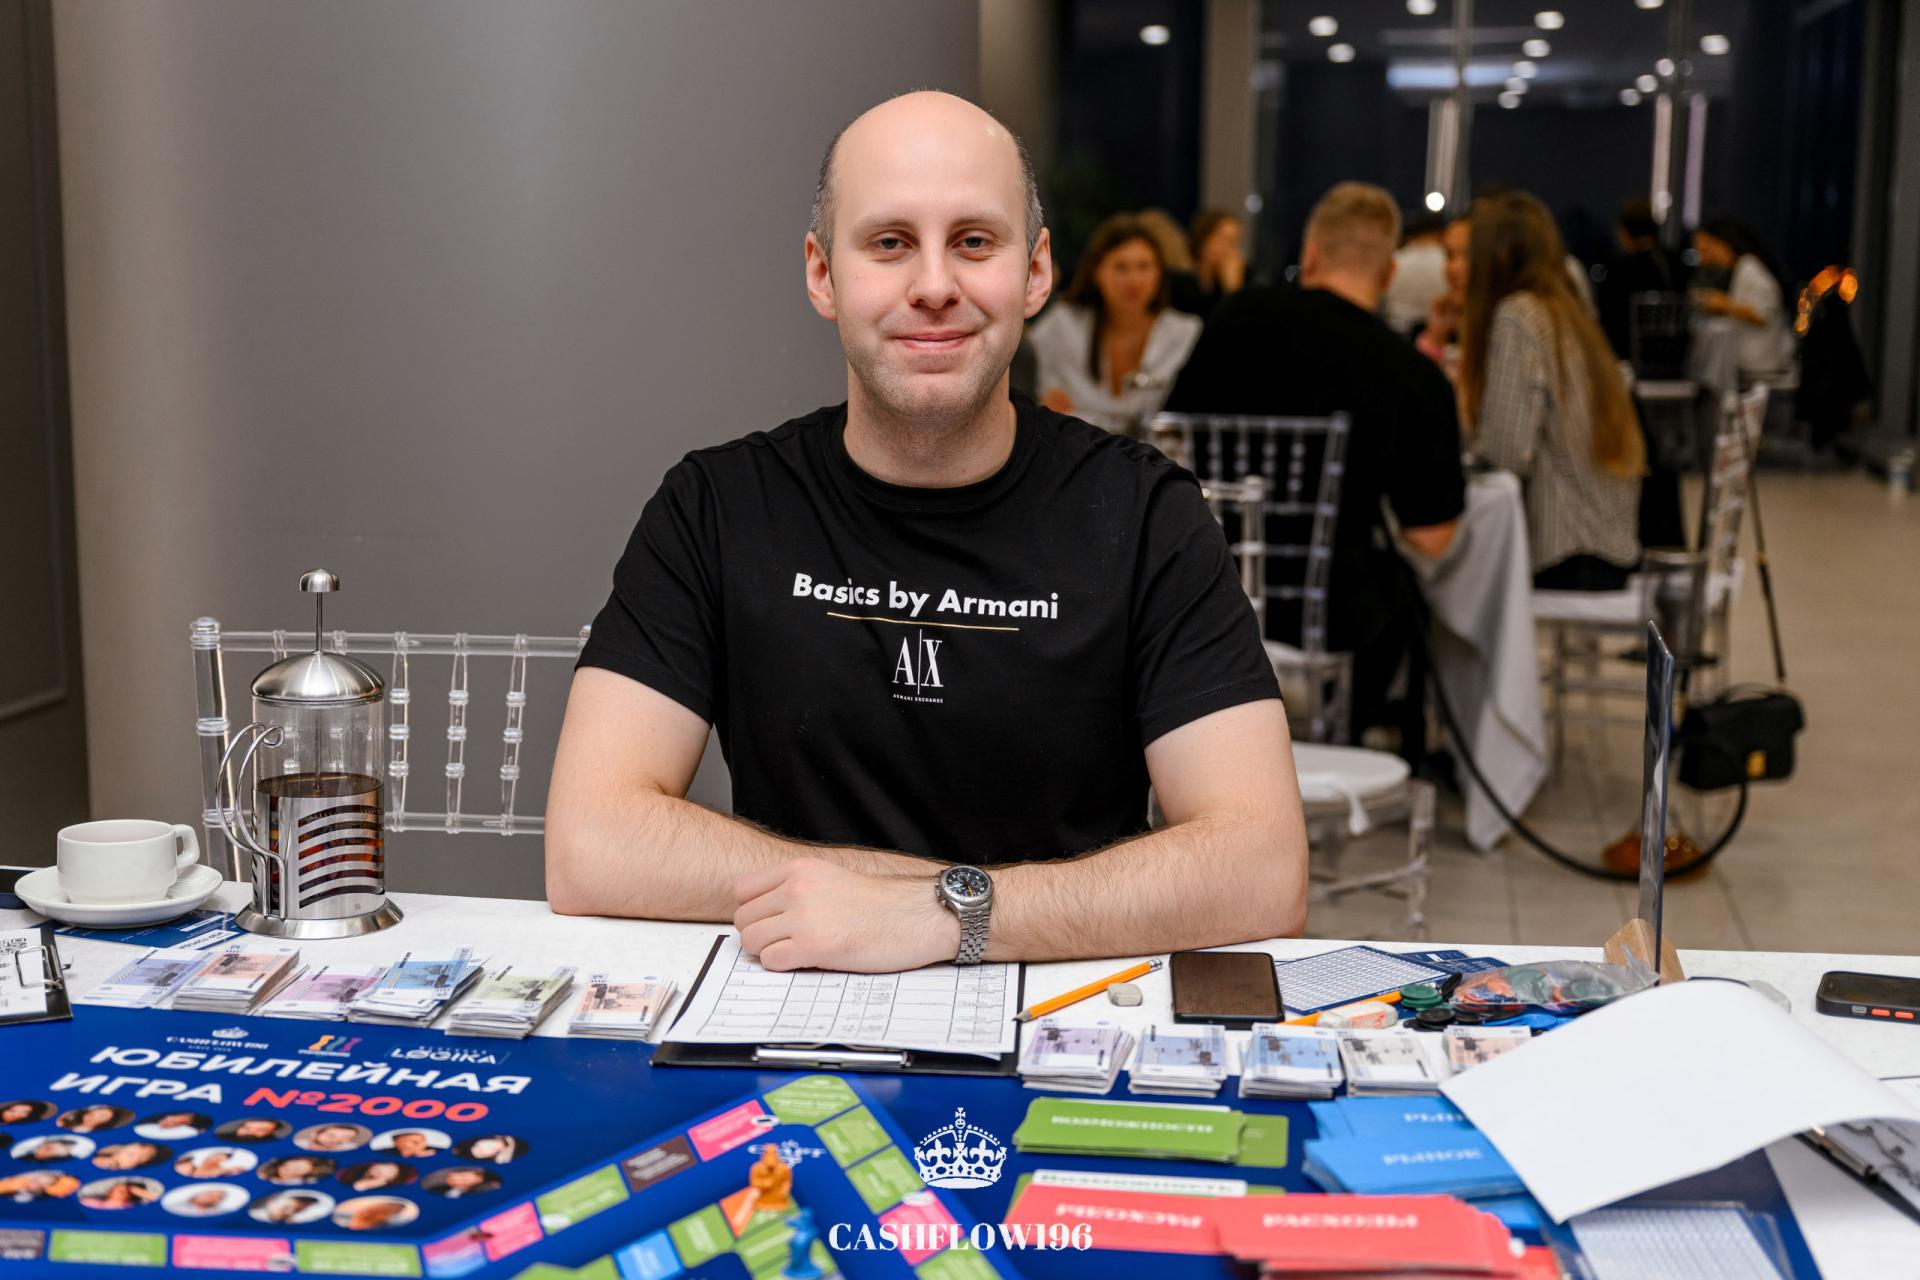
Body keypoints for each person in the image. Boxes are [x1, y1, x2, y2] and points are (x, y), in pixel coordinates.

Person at [547, 91, 1308, 972]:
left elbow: (1262, 866)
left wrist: (943, 915)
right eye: (890, 243)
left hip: (1058, 1018)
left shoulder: (1145, 516)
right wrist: (907, 897)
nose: (936, 285)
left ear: (1035, 272)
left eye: (974, 242)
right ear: (823, 275)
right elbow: (591, 840)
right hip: (790, 1007)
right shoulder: (717, 504)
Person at [1165, 181, 1464, 759]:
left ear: (1311, 255)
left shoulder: (1235, 316)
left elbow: (1171, 434)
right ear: (1388, 272)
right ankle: (1349, 746)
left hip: (1209, 584)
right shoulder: (1412, 373)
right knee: (1406, 594)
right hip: (1333, 605)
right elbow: (1433, 537)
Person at [1460, 192, 1644, 589]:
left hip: (1566, 552)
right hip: (1609, 545)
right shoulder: (1569, 311)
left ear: (1496, 258)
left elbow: (1506, 454)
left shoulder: (1518, 316)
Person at [1028, 213, 1203, 434]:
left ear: (1160, 273)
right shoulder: (1063, 326)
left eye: (1144, 266)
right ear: (1096, 272)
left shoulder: (1185, 332)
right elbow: (1035, 390)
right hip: (1074, 450)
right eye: (1121, 267)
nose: (1134, 280)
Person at [1692, 218, 1795, 379]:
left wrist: (1724, 304)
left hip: (1760, 364)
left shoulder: (1749, 267)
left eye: (1707, 249)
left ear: (1724, 243)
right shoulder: (1742, 267)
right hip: (1753, 362)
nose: (1704, 258)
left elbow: (1762, 314)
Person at [1596, 198, 1680, 358]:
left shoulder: (1620, 269)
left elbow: (1608, 319)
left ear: (1625, 232)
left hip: (1627, 353)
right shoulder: (1674, 264)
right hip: (1671, 354)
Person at [1414, 215, 1471, 374]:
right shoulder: (1446, 324)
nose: (1454, 268)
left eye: (1469, 255)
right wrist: (1435, 339)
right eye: (1450, 255)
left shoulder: (1508, 333)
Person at [1175, 208, 1247, 318]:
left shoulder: (1242, 279)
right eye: (1224, 240)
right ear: (1203, 240)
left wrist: (1233, 287)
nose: (1231, 250)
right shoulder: (1180, 281)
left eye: (1235, 242)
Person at [1382, 215, 1448, 335]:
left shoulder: (1396, 259)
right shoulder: (1445, 262)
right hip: (1435, 329)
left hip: (1394, 329)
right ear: (1438, 234)